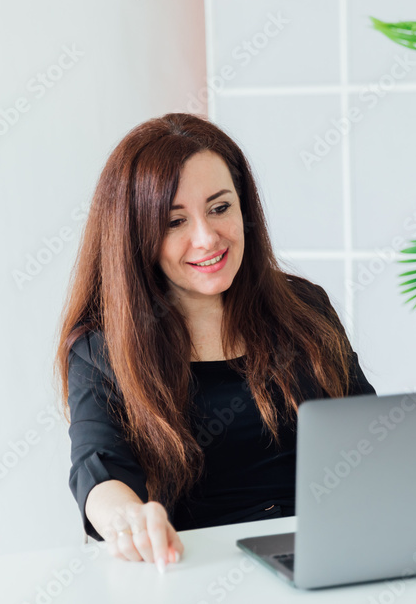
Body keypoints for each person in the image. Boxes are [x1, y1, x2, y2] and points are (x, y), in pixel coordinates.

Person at [55, 113, 377, 573]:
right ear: (135, 235)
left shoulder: (305, 307)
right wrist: (129, 519)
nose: (206, 238)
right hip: (200, 570)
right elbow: (98, 470)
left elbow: (370, 434)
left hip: (332, 554)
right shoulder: (101, 347)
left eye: (220, 208)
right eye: (174, 221)